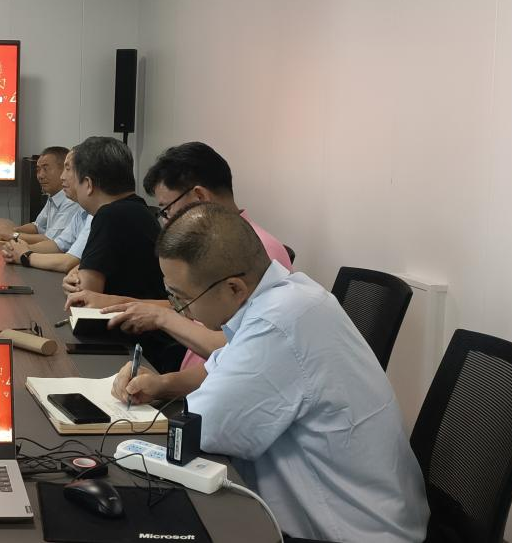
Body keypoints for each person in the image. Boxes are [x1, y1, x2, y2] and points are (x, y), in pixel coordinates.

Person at [113, 203, 428, 543]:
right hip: (366, 512)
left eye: (182, 298)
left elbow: (203, 429)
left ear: (234, 288)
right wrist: (161, 384)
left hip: (350, 532)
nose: (181, 310)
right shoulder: (290, 295)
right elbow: (219, 368)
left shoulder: (277, 324)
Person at [69, 141, 294, 390]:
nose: (166, 222)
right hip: (191, 378)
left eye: (166, 210)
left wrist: (161, 318)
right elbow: (194, 307)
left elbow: (234, 349)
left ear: (199, 197)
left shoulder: (256, 252)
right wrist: (122, 303)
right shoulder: (215, 243)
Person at [68, 136, 166, 299]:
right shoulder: (138, 208)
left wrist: (74, 282)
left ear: (88, 184)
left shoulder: (109, 216)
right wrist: (77, 273)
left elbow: (83, 295)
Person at [1, 150, 90, 273]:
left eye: (68, 169)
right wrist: (21, 248)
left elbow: (68, 262)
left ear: (88, 180)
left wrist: (24, 254)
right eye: (38, 170)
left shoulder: (90, 211)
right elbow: (58, 244)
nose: (63, 177)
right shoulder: (82, 211)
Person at [0, 146, 80, 245]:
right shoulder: (53, 197)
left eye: (46, 169)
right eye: (38, 170)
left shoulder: (71, 201)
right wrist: (13, 230)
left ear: (64, 170)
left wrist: (13, 235)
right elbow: (38, 226)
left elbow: (52, 241)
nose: (40, 175)